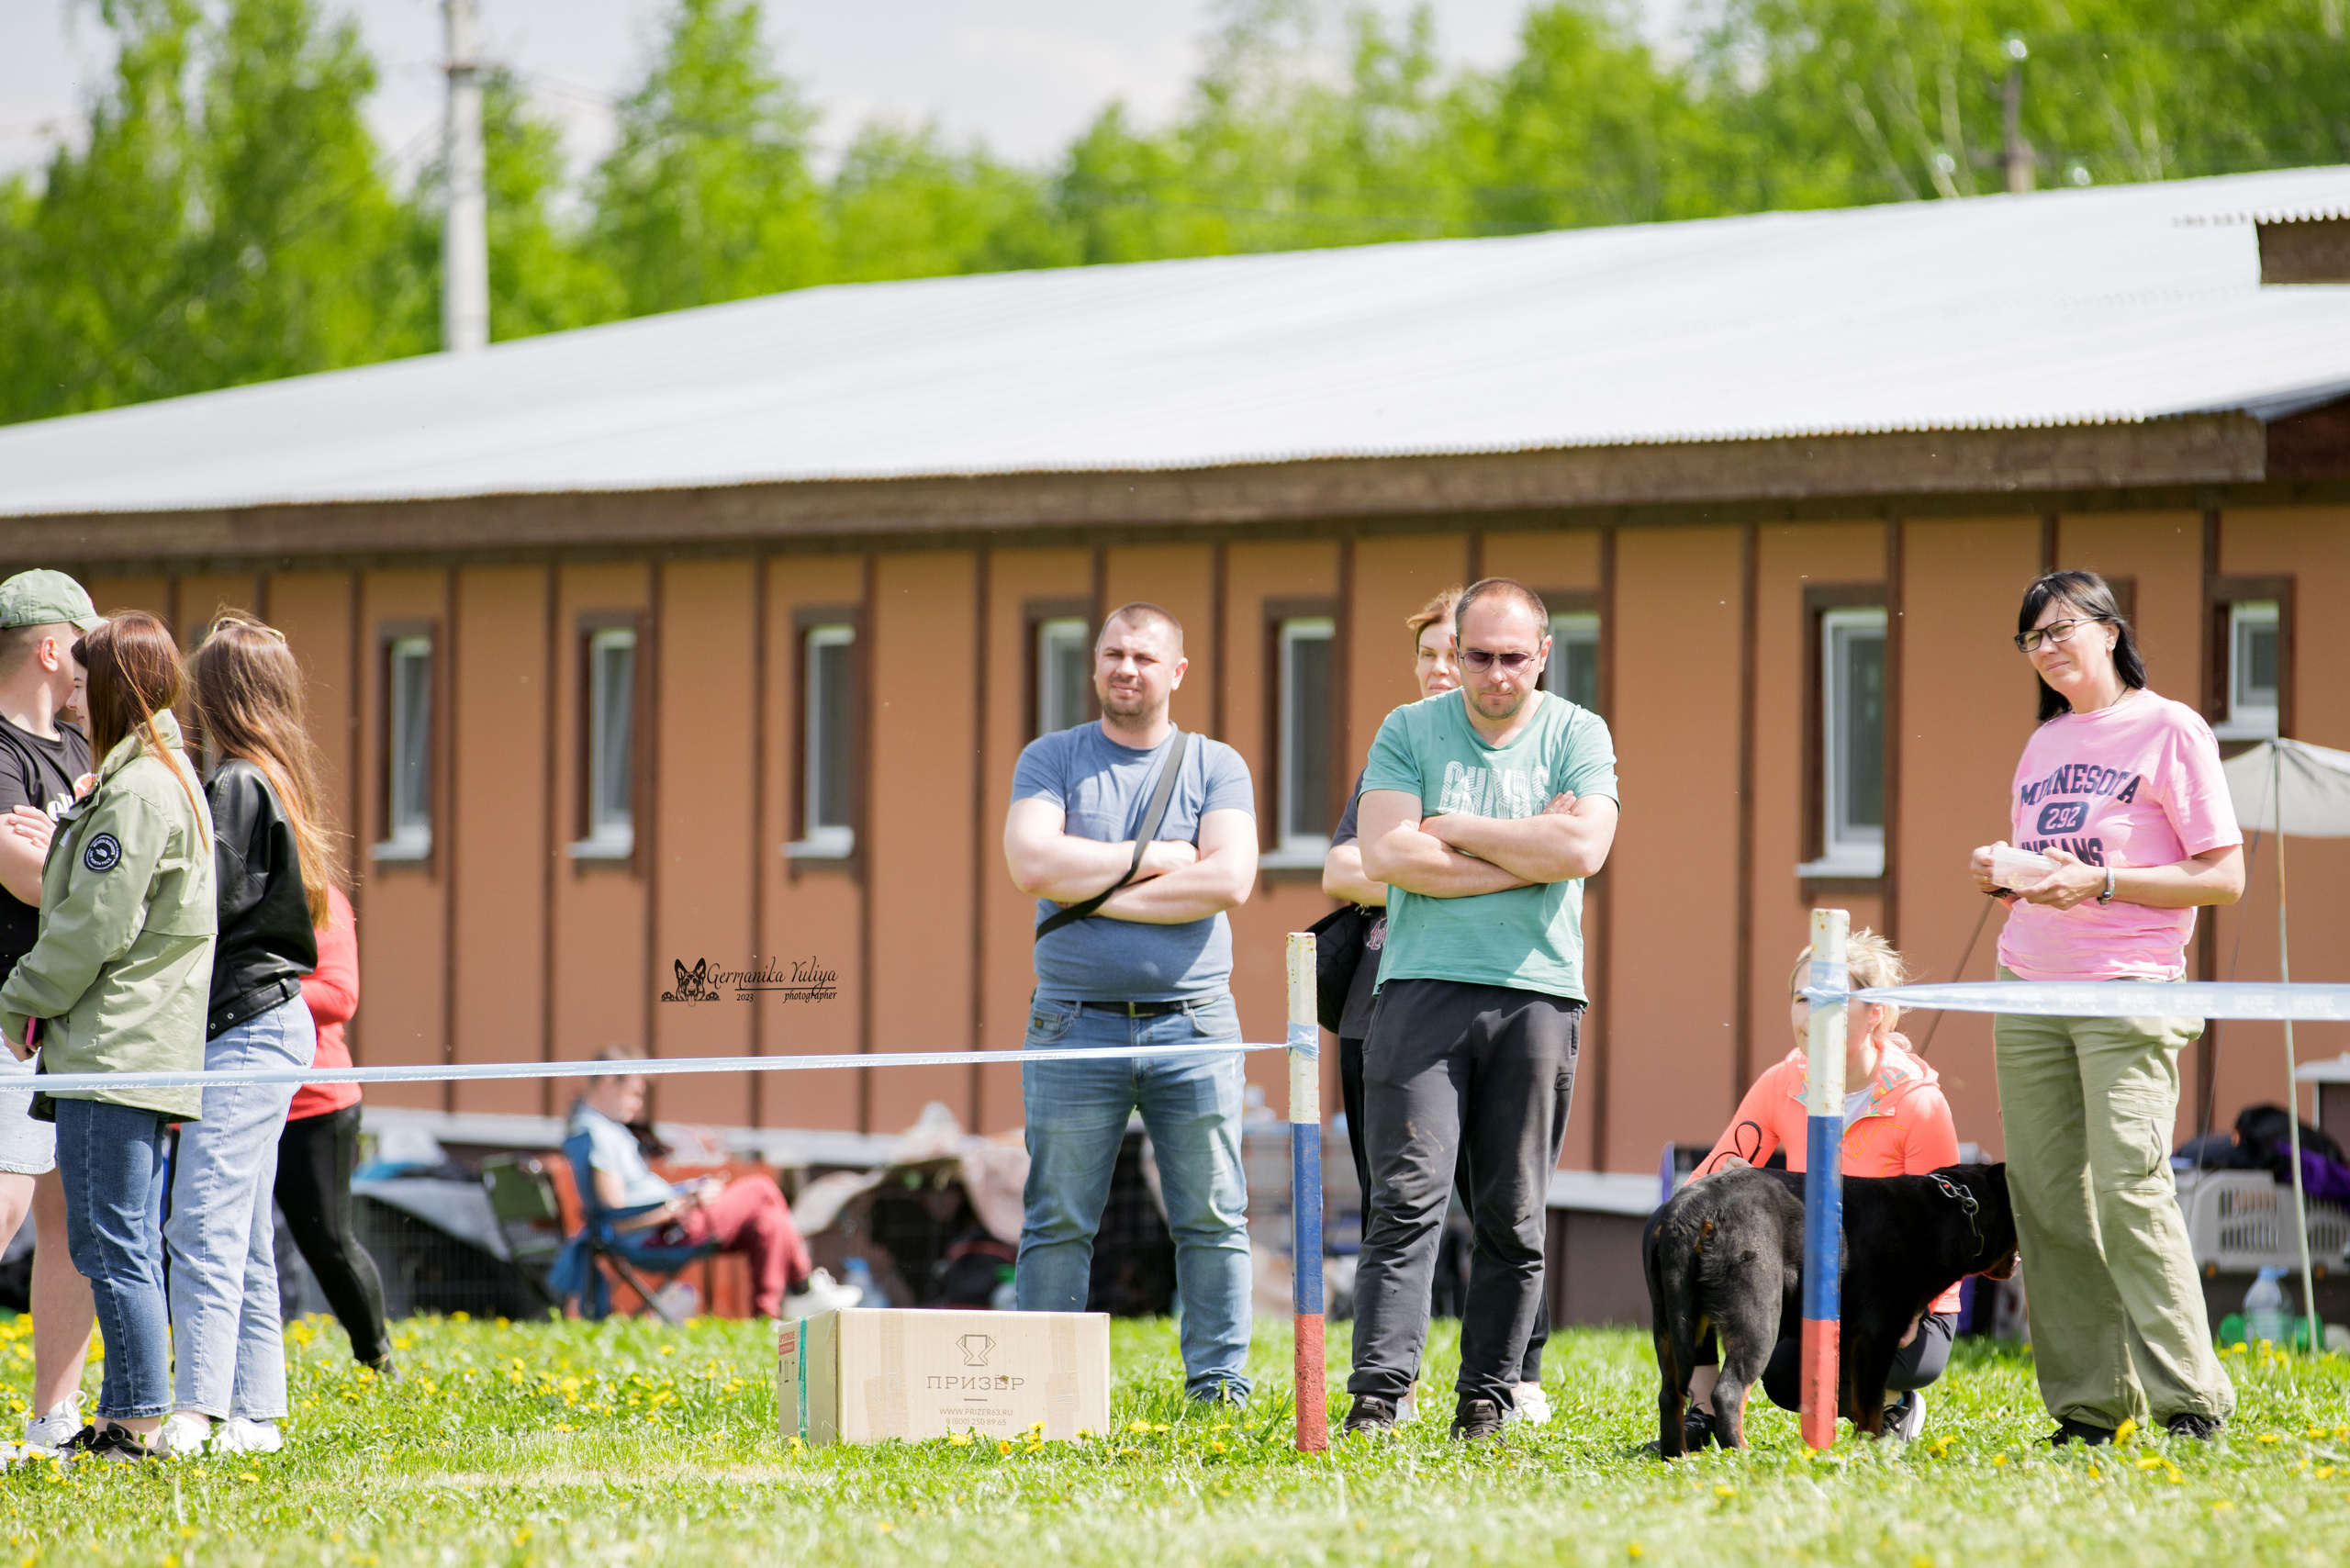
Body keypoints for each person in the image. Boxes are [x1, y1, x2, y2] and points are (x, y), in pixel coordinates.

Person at [1969, 570, 2244, 1446]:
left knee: (2130, 1186)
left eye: (2060, 629)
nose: (2047, 649)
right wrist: (2010, 880)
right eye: (2031, 639)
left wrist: (2107, 880)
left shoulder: (2171, 728)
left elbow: (2222, 875)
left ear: (2110, 628)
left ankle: (2190, 1401)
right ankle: (2091, 1408)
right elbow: (2055, 873)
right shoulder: (2042, 744)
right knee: (2047, 1199)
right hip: (2029, 983)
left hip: (2128, 987)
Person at [1345, 577, 1619, 1441]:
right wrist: (1524, 855)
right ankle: (1379, 1397)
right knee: (1407, 1199)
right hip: (1421, 992)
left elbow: (1583, 845)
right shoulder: (1407, 728)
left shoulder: (1578, 730)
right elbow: (1389, 853)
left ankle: (1488, 1398)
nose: (1497, 676)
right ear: (1452, 652)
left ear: (1543, 653)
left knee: (1513, 1210)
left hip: (1538, 993)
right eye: (1478, 657)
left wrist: (1452, 823)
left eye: (1514, 658)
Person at [1002, 603, 1259, 1403]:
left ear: (1175, 672)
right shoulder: (1051, 758)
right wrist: (1157, 862)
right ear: (1095, 666)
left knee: (1214, 1215)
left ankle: (1219, 1389)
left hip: (1195, 1021)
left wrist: (1093, 890)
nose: (1126, 669)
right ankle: (1044, 1393)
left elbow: (1228, 881)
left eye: (1145, 657)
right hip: (1074, 1019)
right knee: (1058, 1219)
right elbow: (1029, 863)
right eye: (1113, 654)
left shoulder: (1217, 765)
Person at [0, 611, 215, 1462]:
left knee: (110, 1240)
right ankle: (135, 1412)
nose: (76, 701)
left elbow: (94, 923)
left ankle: (133, 1423)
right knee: (114, 1235)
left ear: (116, 690)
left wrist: (20, 994)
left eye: (88, 686)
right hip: (137, 1048)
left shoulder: (134, 789)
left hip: (114, 1052)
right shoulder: (158, 777)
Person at [158, 614, 337, 1460]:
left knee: (200, 1222)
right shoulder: (275, 778)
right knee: (242, 1229)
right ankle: (256, 1412)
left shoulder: (233, 785)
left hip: (244, 1026)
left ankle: (198, 1407)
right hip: (272, 1023)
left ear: (215, 693)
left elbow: (202, 908)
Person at [1683, 931, 1964, 1445]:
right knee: (1696, 1239)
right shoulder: (1781, 1084)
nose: (1810, 1014)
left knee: (1831, 1362)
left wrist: (1910, 1310)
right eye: (1801, 998)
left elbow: (1944, 1236)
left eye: (1830, 1000)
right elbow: (1715, 1176)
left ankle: (1897, 1404)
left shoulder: (1920, 1104)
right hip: (1817, 1285)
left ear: (1873, 1012)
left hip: (1909, 1302)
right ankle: (1700, 1415)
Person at [0, 572, 103, 1455]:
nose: (92, 665)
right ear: (49, 647)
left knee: (73, 1219)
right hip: (8, 1013)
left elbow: (71, 869)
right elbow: (26, 878)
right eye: (85, 645)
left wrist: (59, 837)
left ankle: (52, 1416)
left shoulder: (76, 749)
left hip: (76, 1025)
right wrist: (78, 854)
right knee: (3, 1205)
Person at [565, 1047, 811, 1317]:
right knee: (762, 1188)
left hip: (669, 1226)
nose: (637, 1104)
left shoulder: (594, 1129)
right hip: (665, 1234)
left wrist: (683, 1197)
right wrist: (683, 1203)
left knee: (769, 1223)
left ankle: (768, 1317)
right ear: (608, 1081)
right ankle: (804, 1286)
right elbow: (617, 1216)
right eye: (635, 1093)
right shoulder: (598, 1135)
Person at [274, 882, 393, 1374]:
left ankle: (376, 1356)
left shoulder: (318, 895)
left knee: (327, 1243)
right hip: (220, 1100)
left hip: (313, 1104)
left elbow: (340, 995)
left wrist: (253, 989)